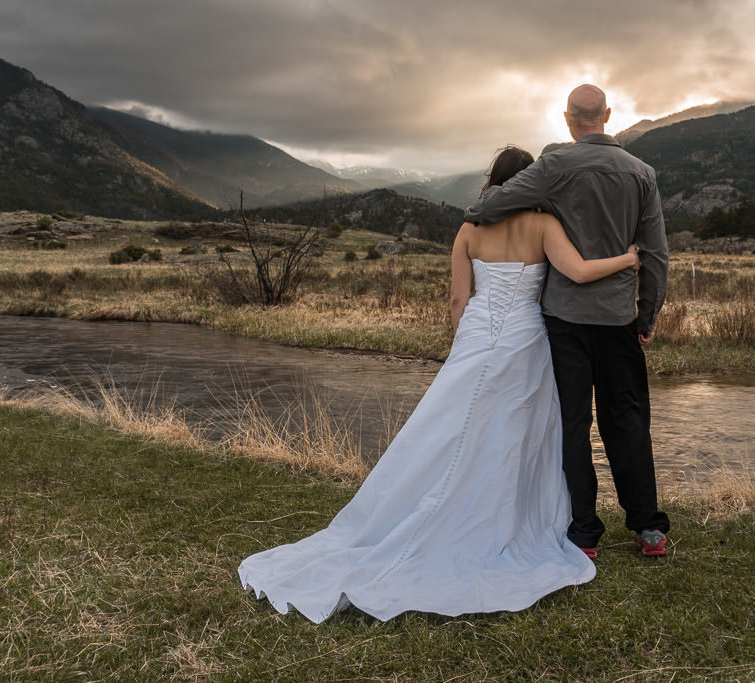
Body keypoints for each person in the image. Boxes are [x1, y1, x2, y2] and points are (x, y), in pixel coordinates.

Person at [238, 146, 640, 623]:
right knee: (518, 432)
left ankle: (425, 513)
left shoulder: (470, 228)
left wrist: (466, 342)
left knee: (451, 428)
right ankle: (508, 518)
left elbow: (457, 298)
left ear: (493, 181)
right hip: (526, 341)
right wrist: (628, 259)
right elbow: (576, 272)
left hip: (477, 334)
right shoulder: (544, 225)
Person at [463, 84, 670, 559]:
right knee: (629, 419)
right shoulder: (642, 174)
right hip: (619, 320)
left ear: (568, 119)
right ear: (608, 115)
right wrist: (647, 312)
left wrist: (485, 212)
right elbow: (655, 253)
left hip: (565, 321)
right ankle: (648, 528)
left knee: (572, 424)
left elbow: (490, 206)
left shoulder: (555, 165)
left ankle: (584, 531)